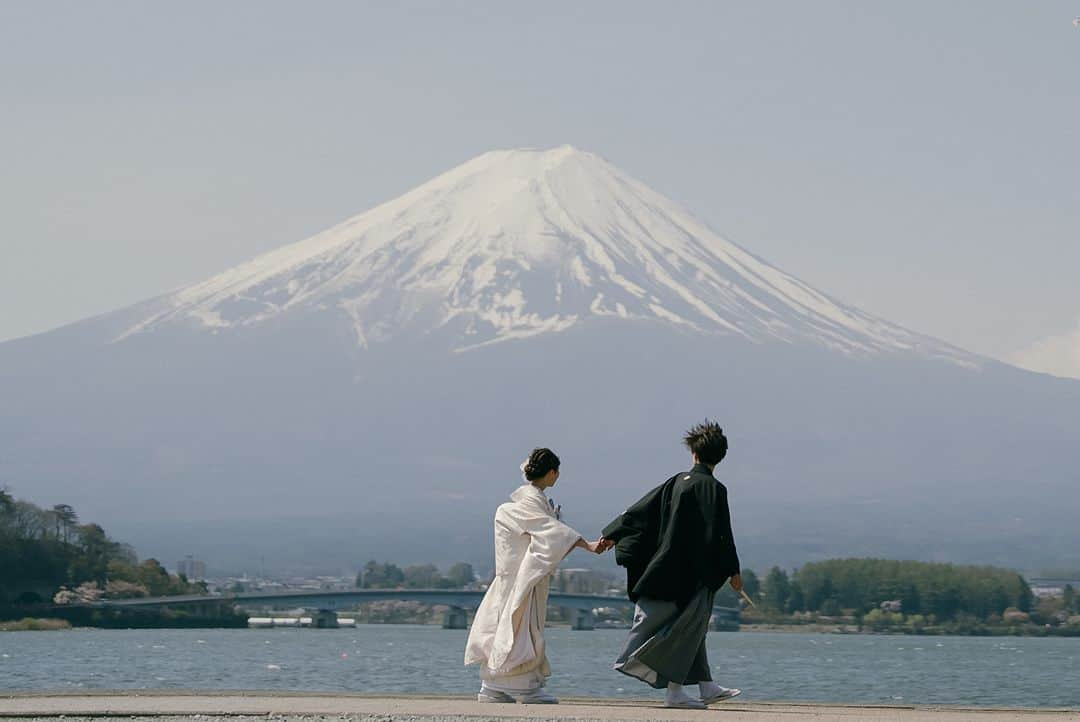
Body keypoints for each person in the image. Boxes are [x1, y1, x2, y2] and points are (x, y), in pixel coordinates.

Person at [598, 420, 743, 709]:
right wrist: (733, 571)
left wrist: (610, 534)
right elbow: (722, 534)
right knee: (687, 630)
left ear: (694, 454)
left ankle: (706, 685)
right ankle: (675, 692)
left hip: (666, 568)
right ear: (721, 456)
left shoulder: (677, 482)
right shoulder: (714, 489)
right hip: (694, 575)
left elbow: (641, 511)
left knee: (692, 629)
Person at [464, 447, 607, 704]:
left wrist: (554, 520)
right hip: (522, 577)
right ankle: (523, 686)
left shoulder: (518, 505)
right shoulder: (528, 505)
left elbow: (546, 530)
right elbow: (551, 531)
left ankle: (492, 685)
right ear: (552, 472)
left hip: (511, 577)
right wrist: (588, 544)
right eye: (557, 471)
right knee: (520, 628)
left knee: (505, 625)